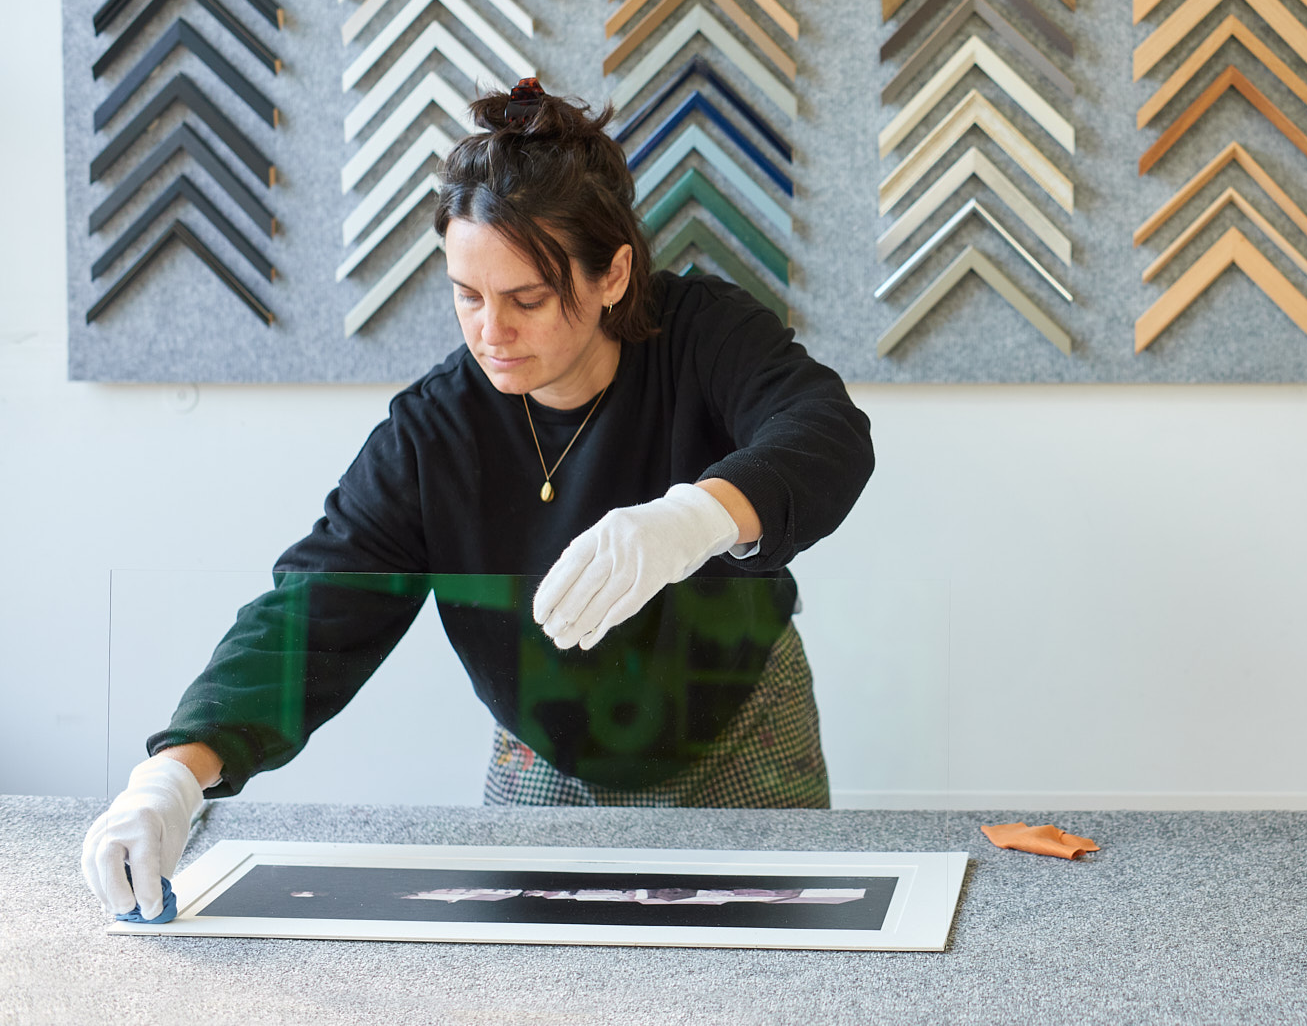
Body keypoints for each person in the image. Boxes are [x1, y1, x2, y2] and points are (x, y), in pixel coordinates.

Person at [79, 80, 874, 921]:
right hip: (543, 756)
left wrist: (696, 516)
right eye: (468, 294)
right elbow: (315, 605)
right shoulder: (437, 429)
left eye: (526, 298)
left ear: (613, 271)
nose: (491, 330)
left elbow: (826, 430)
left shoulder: (703, 334)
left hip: (738, 734)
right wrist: (175, 771)